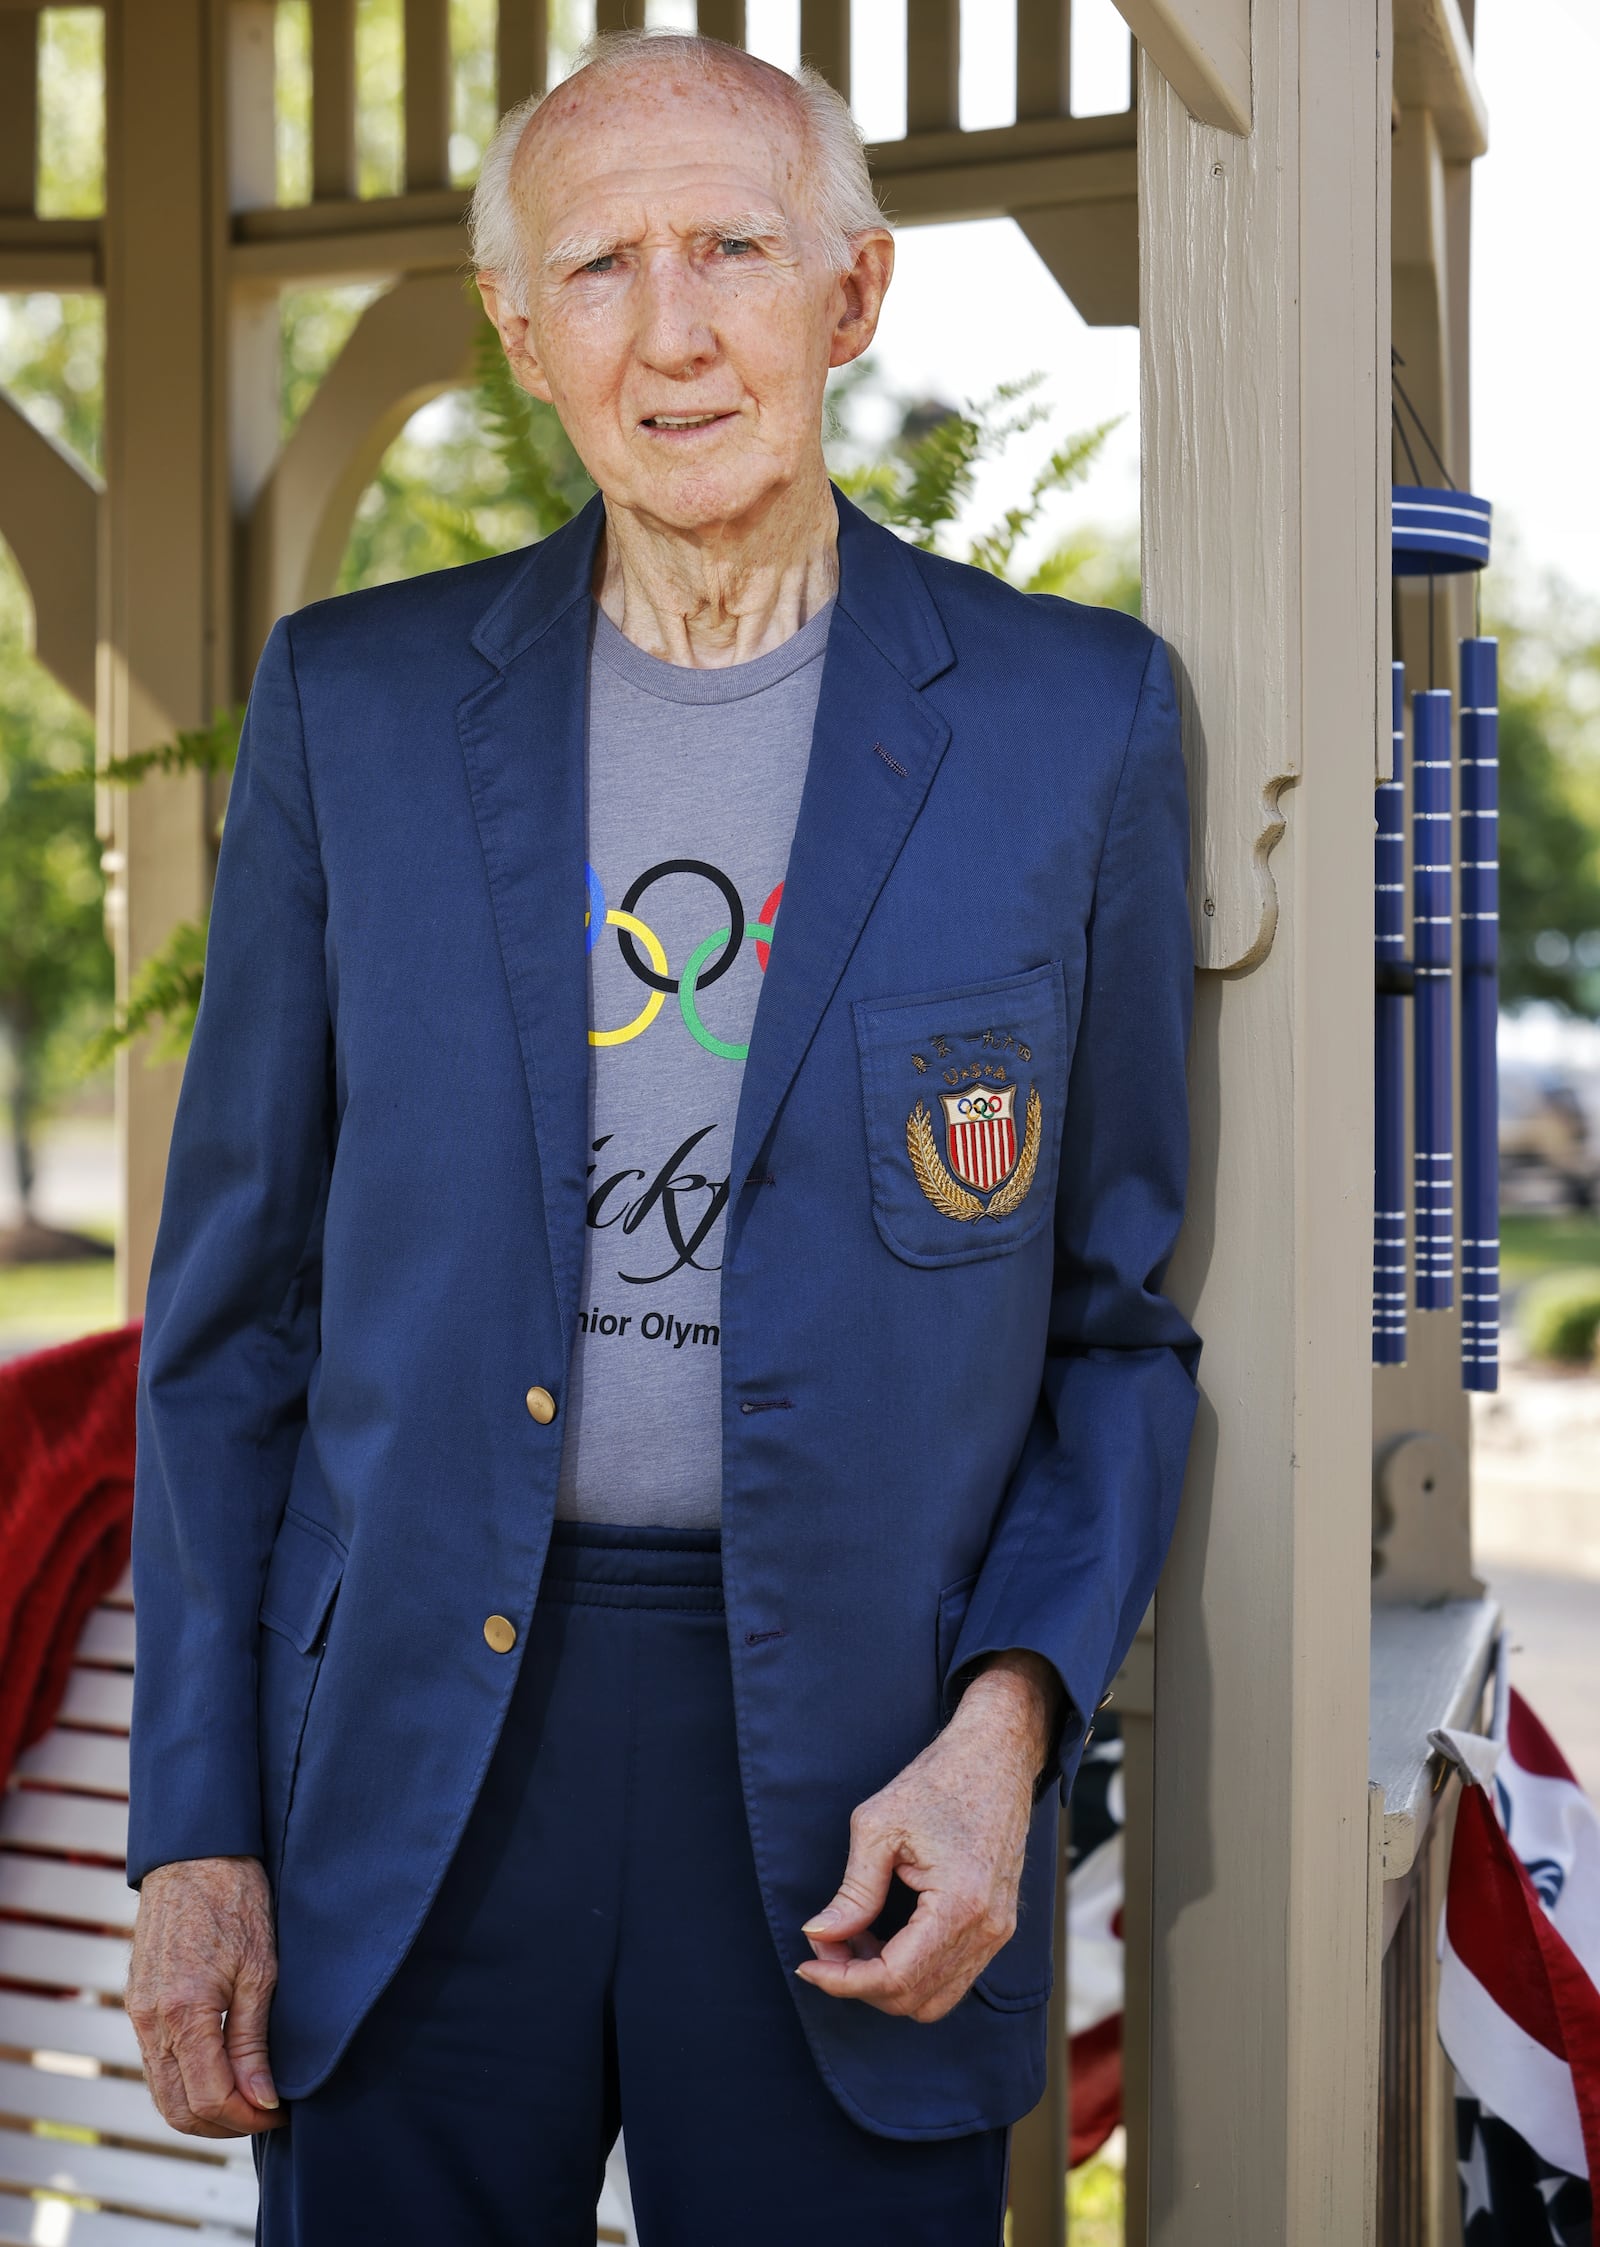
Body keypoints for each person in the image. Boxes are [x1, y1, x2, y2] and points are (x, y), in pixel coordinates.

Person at [125, 29, 1199, 2245]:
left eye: (731, 245)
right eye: (598, 266)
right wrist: (194, 1830)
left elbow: (1112, 1331)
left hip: (858, 1782)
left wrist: (1007, 1723)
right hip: (418, 1767)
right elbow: (232, 1329)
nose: (675, 327)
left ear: (855, 295)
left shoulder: (1066, 718)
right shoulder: (360, 705)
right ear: (522, 336)